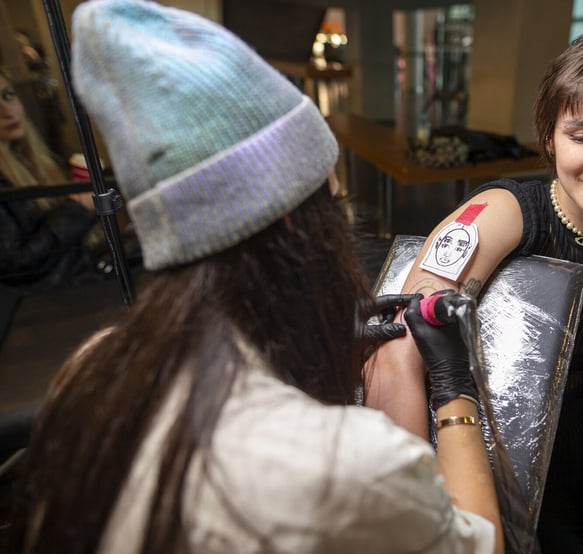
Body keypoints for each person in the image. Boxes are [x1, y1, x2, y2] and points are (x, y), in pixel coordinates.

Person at [6, 1, 502, 553]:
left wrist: (325, 343)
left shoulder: (90, 366)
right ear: (292, 221)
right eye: (335, 207)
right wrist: (453, 388)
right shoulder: (342, 463)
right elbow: (478, 544)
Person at [367, 27, 583, 553]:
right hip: (504, 462)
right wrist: (424, 516)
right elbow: (402, 341)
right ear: (550, 136)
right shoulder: (505, 212)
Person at [0, 67, 98, 291]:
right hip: (47, 303)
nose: (7, 111)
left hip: (76, 286)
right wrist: (76, 209)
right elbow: (15, 264)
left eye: (8, 95)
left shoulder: (33, 161)